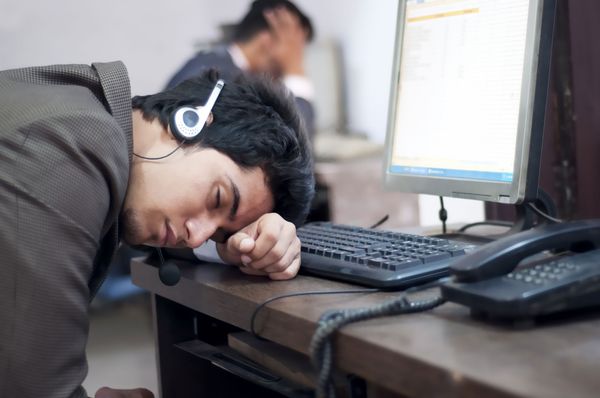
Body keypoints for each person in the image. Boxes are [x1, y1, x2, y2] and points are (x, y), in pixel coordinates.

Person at [0, 61, 314, 398]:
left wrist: (234, 248)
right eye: (218, 198)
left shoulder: (82, 116)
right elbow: (31, 388)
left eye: (217, 233)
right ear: (189, 121)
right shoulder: (77, 150)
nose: (196, 236)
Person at [166, 0, 316, 141]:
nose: (298, 56)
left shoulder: (216, 66)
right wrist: (294, 69)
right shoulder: (218, 77)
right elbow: (290, 145)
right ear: (268, 41)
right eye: (295, 48)